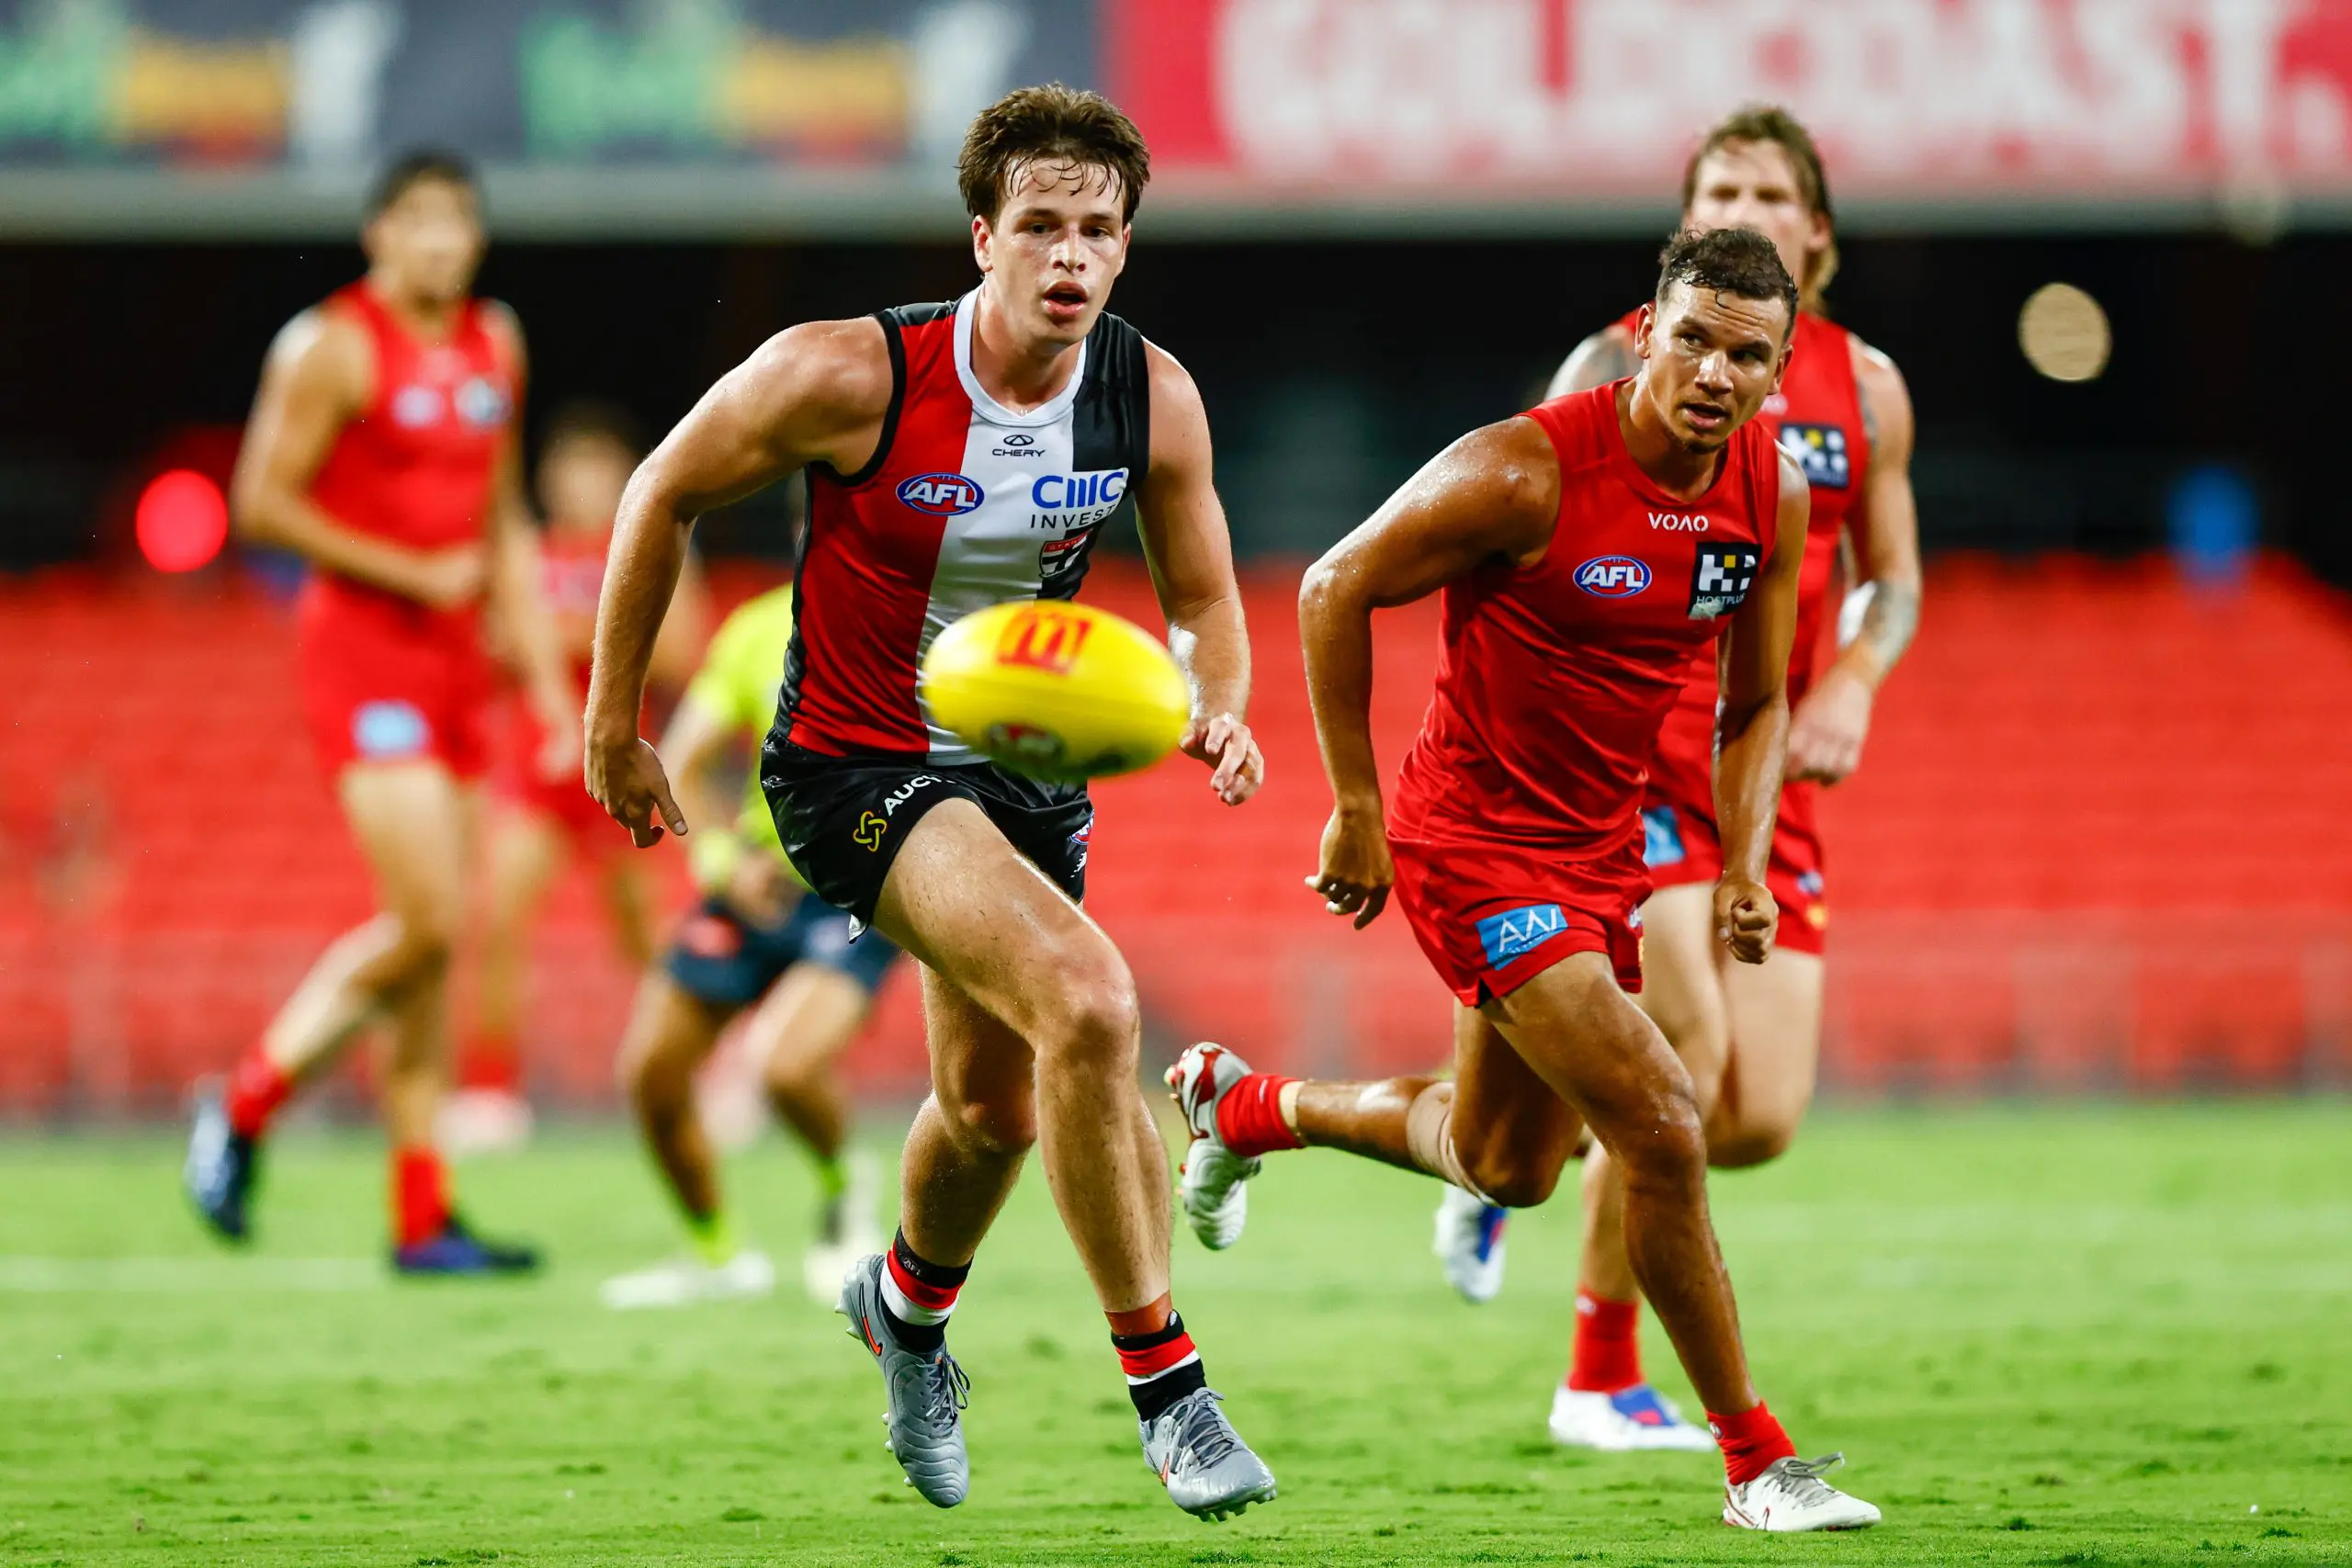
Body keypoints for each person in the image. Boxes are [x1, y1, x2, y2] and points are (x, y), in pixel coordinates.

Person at [582, 85, 1277, 1520]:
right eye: (1040, 226)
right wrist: (615, 727)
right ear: (983, 236)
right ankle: (1172, 1390)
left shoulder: (1153, 393)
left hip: (1028, 774)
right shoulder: (849, 375)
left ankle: (902, 1310)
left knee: (990, 1107)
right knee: (1089, 999)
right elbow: (660, 491)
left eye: (1098, 229)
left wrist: (1219, 694)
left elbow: (1205, 590)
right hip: (856, 765)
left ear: (1127, 246)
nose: (1069, 255)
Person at [1170, 227, 1882, 1531]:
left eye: (1748, 353)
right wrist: (1356, 808)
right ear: (1645, 335)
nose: (1716, 371)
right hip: (1474, 846)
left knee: (1506, 1163)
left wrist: (1739, 854)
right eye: (1695, 339)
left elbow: (1760, 695)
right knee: (1665, 1118)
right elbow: (1334, 585)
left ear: (1780, 371)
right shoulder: (1530, 466)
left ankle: (1243, 1104)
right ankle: (1756, 1458)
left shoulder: (1770, 486)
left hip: (1604, 853)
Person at [1431, 106, 1925, 1458]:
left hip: (1763, 766)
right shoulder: (1619, 354)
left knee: (1754, 1115)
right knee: (1682, 1065)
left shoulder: (1865, 386)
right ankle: (1600, 1374)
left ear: (1816, 231)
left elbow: (1894, 578)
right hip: (1631, 759)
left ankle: (1504, 1123)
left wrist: (1855, 680)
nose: (1751, 207)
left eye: (1774, 192)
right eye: (1724, 188)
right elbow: (1536, 511)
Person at [183, 150, 571, 1272]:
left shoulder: (497, 340)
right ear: (379, 237)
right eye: (418, 222)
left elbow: (501, 520)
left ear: (477, 240)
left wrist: (551, 695)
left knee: (435, 948)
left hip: (459, 665)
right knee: (432, 919)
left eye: (458, 221)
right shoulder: (332, 345)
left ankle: (420, 1214)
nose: (440, 242)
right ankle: (247, 1101)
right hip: (364, 657)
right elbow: (259, 502)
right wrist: (410, 573)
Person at [597, 582, 899, 1312]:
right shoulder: (757, 629)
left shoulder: (913, 621)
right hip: (757, 881)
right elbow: (682, 761)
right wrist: (722, 864)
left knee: (786, 1066)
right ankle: (717, 1256)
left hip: (857, 888)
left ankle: (841, 1187)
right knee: (652, 1072)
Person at [451, 403, 711, 1152]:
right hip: (539, 769)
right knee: (497, 919)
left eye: (599, 472)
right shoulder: (527, 551)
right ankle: (490, 1091)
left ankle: (704, 1069)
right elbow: (492, 642)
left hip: (623, 766)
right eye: (572, 471)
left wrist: (571, 633)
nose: (585, 486)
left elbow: (683, 650)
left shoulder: (649, 546)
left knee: (649, 938)